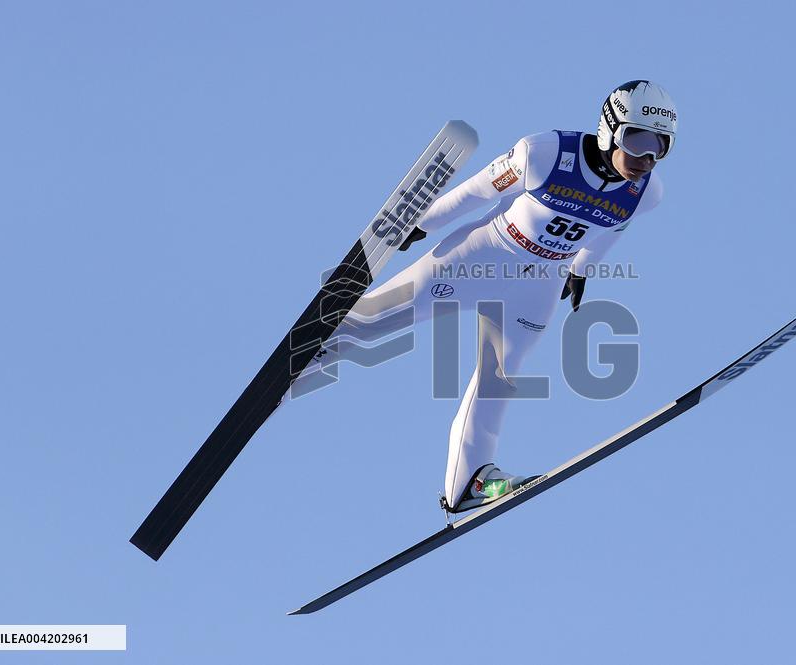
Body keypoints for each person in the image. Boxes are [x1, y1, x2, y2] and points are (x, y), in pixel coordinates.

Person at [290, 80, 678, 513]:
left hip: (540, 283)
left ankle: (469, 481)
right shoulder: (545, 154)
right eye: (638, 139)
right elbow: (476, 191)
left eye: (661, 146)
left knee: (499, 377)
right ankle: (299, 364)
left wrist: (580, 270)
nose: (647, 159)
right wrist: (423, 223)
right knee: (380, 319)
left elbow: (611, 230)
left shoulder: (646, 192)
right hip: (483, 255)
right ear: (609, 129)